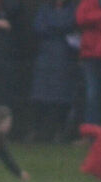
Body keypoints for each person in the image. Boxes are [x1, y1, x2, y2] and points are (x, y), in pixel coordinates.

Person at [28, 0, 79, 143]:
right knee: (40, 95)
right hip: (45, 57)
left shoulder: (72, 8)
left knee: (62, 96)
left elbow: (71, 24)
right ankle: (37, 131)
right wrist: (59, 29)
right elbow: (38, 27)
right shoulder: (44, 8)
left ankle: (60, 132)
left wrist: (54, 27)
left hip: (65, 58)